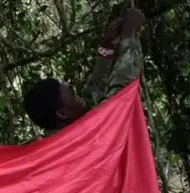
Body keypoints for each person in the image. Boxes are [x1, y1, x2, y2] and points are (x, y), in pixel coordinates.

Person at [23, 8, 146, 138]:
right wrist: (129, 35)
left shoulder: (66, 131)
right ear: (62, 114)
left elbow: (92, 96)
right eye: (71, 93)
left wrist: (107, 46)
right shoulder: (81, 137)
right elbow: (120, 96)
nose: (76, 94)